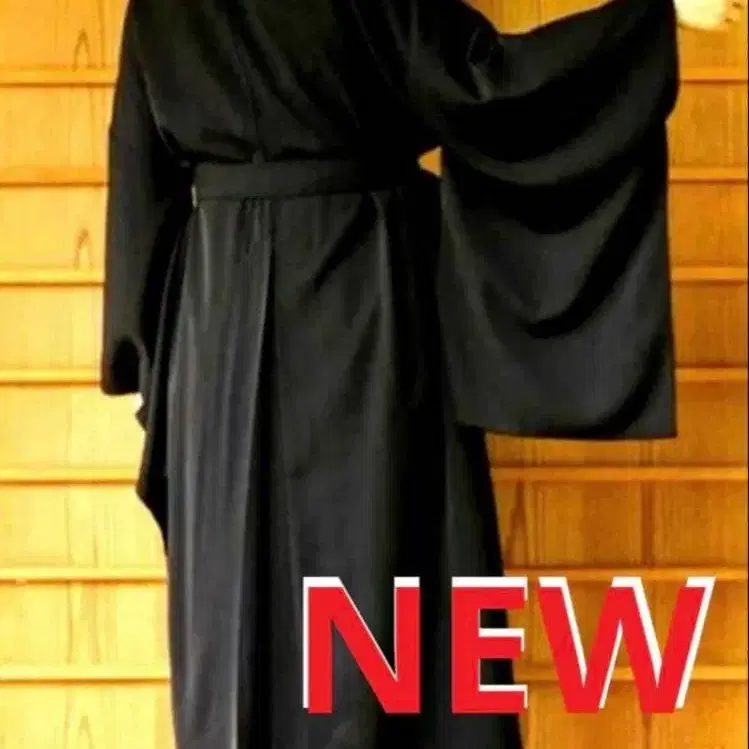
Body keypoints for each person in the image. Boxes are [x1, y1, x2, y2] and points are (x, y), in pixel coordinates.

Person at [100, 0, 743, 747]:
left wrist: (152, 364)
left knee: (238, 585)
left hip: (216, 323)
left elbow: (139, 173)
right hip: (364, 290)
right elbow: (489, 88)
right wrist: (649, 19)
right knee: (381, 561)